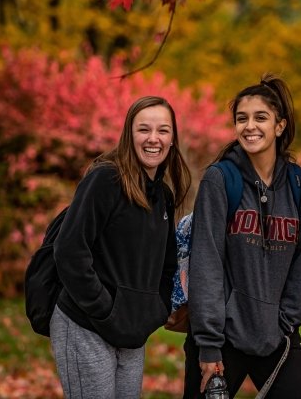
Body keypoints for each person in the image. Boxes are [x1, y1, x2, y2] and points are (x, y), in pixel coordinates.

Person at [183, 73, 301, 398]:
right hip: (222, 339)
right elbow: (206, 264)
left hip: (278, 336)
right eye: (241, 119)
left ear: (280, 126)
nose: (250, 126)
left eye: (261, 117)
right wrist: (209, 346)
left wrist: (285, 322)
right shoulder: (220, 180)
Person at [50, 96, 191, 399]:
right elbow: (69, 251)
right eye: (144, 130)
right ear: (129, 134)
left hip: (132, 333)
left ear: (172, 139)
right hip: (86, 324)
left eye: (163, 130)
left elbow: (167, 265)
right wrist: (105, 310)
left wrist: (156, 310)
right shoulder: (106, 179)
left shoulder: (163, 195)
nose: (154, 139)